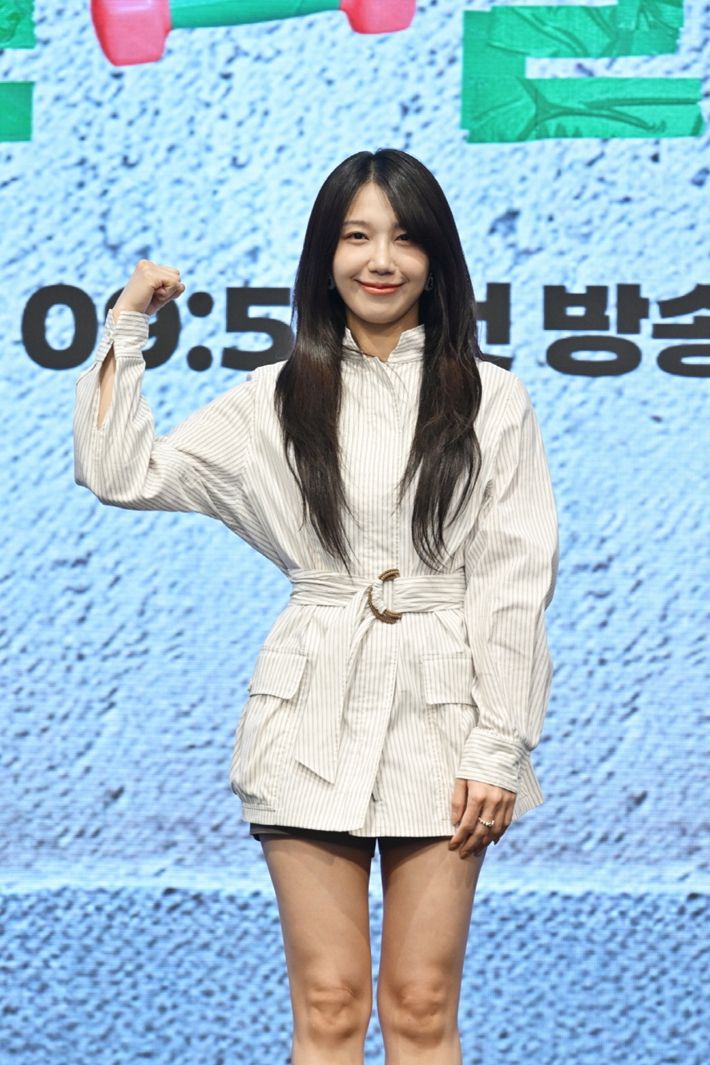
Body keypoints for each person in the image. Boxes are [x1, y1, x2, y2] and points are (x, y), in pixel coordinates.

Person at [73, 147, 559, 1065]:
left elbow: (514, 581)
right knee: (330, 1004)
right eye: (356, 236)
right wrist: (128, 324)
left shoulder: (492, 398)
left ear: (436, 260)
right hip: (308, 711)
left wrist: (500, 743)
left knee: (420, 1002)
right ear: (324, 257)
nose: (380, 260)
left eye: (405, 239)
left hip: (446, 718)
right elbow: (120, 471)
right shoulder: (273, 396)